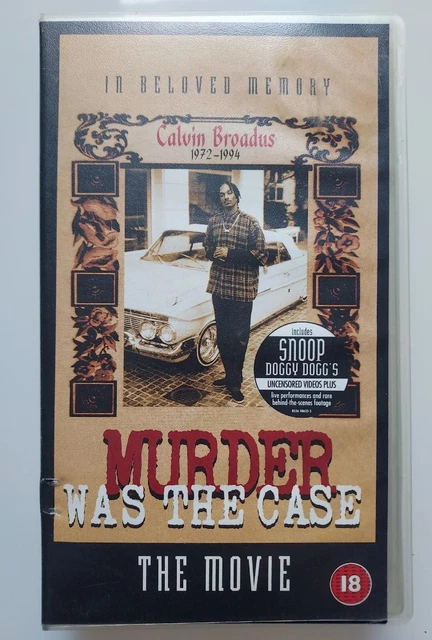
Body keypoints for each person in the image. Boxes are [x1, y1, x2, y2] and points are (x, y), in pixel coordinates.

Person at [204, 181, 267, 403]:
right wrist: (213, 253)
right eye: (222, 194)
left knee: (239, 338)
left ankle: (235, 382)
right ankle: (229, 375)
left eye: (229, 193)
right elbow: (207, 248)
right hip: (220, 287)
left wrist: (230, 253)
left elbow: (261, 255)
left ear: (236, 196)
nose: (226, 197)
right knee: (223, 337)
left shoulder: (250, 222)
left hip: (242, 289)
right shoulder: (213, 222)